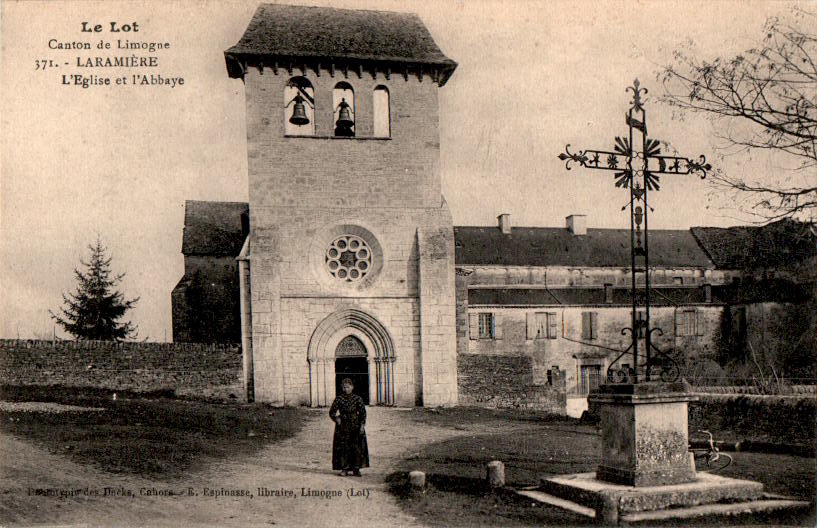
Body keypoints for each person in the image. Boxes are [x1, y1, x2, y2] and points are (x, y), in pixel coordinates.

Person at [329, 378, 369, 476]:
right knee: (343, 447)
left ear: (352, 387)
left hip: (355, 425)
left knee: (356, 447)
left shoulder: (358, 399)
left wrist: (362, 426)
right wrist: (336, 419)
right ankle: (344, 468)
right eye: (344, 387)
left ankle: (356, 468)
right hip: (342, 426)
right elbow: (332, 412)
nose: (346, 389)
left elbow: (363, 413)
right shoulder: (339, 399)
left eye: (348, 387)